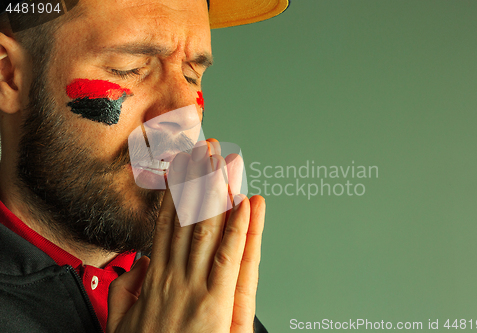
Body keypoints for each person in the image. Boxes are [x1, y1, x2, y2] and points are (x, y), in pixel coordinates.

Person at [0, 0, 289, 332]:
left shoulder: (209, 310)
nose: (186, 119)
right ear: (9, 74)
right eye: (130, 66)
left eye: (191, 74)